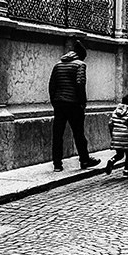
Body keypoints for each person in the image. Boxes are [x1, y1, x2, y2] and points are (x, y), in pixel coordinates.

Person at [48, 39, 100, 171]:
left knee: (57, 134)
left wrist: (55, 102)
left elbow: (52, 86)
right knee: (79, 134)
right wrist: (82, 103)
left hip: (59, 103)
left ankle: (57, 165)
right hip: (74, 104)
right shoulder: (80, 65)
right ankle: (84, 160)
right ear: (81, 55)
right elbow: (80, 85)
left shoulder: (58, 65)